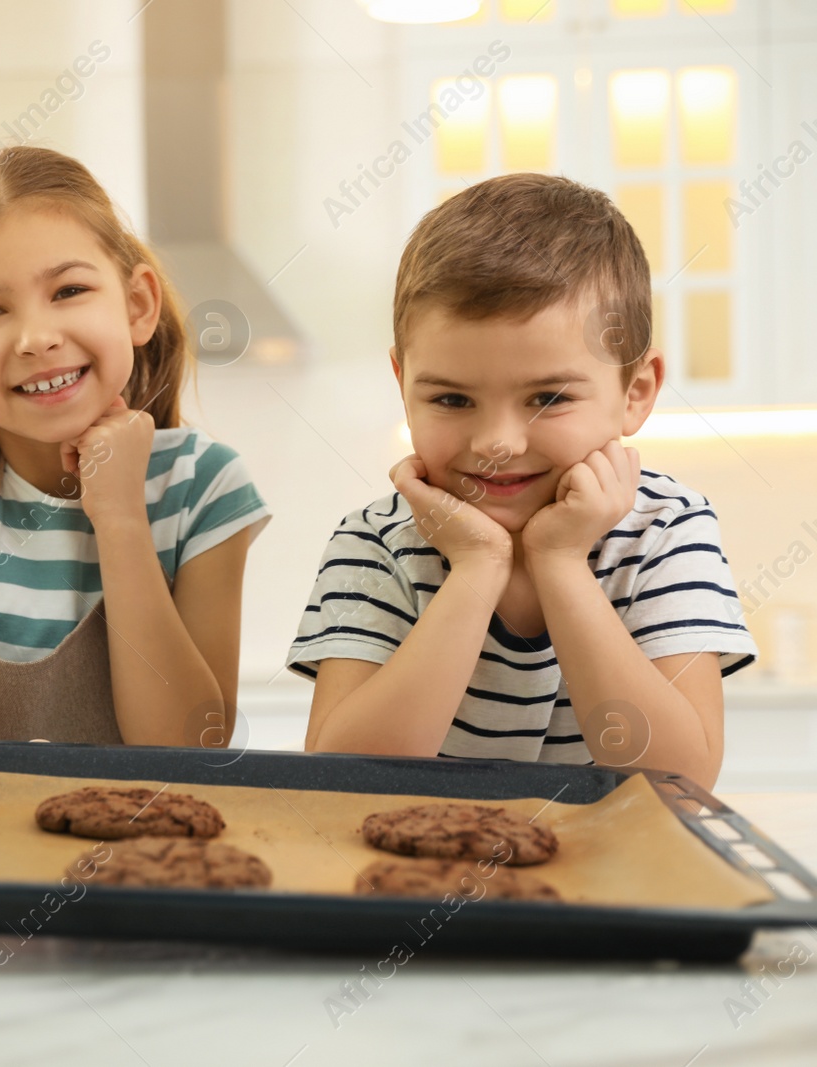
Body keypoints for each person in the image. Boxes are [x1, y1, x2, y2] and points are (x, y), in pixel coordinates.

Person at [287, 173, 755, 789]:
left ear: (635, 393)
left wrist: (559, 560)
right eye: (452, 399)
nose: (496, 443)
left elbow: (678, 784)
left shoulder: (666, 529)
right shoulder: (375, 544)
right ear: (403, 384)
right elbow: (345, 781)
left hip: (610, 878)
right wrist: (478, 567)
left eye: (548, 397)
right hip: (424, 879)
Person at [0, 145, 270, 750]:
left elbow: (187, 748)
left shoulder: (204, 487)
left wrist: (120, 516)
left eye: (67, 291)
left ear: (137, 305)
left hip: (148, 841)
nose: (37, 339)